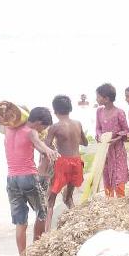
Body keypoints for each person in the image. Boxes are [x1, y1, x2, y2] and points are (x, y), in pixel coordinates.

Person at [0, 105, 58, 256]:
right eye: (43, 126)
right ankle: (37, 250)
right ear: (37, 123)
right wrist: (49, 151)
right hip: (28, 178)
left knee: (20, 221)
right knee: (41, 213)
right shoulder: (31, 132)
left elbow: (0, 124)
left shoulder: (7, 130)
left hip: (11, 180)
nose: (43, 130)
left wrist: (13, 116)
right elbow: (39, 144)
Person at [45, 95, 88, 230]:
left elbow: (46, 147)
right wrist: (73, 139)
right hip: (76, 162)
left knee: (51, 199)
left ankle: (47, 231)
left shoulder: (54, 127)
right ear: (70, 109)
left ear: (55, 111)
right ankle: (77, 224)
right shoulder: (78, 123)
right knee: (68, 197)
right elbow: (85, 143)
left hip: (63, 163)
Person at [95, 83, 129, 198]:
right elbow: (98, 128)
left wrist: (116, 138)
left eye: (98, 96)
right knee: (106, 174)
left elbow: (126, 130)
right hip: (104, 150)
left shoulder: (119, 112)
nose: (96, 99)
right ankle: (109, 200)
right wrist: (99, 136)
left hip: (117, 149)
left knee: (119, 175)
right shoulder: (99, 111)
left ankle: (121, 201)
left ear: (106, 98)